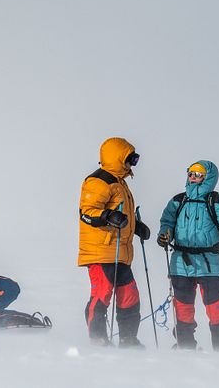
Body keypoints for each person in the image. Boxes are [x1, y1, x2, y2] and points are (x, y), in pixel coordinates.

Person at [157, 160, 219, 351]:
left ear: (208, 177)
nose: (193, 177)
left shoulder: (217, 201)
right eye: (190, 173)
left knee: (216, 307)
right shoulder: (178, 200)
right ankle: (185, 349)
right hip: (180, 262)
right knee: (183, 308)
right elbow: (166, 221)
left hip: (209, 261)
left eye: (198, 174)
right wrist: (165, 234)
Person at [78, 137, 151, 348]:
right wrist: (107, 216)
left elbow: (122, 214)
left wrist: (136, 226)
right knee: (102, 294)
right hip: (101, 251)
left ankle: (128, 339)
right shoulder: (98, 180)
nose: (132, 164)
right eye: (130, 159)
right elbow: (87, 213)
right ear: (117, 158)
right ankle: (98, 338)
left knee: (130, 296)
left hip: (121, 252)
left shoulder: (120, 184)